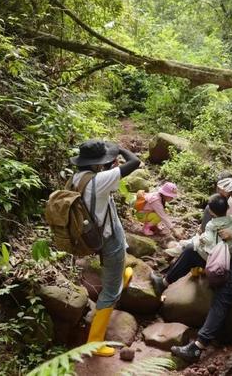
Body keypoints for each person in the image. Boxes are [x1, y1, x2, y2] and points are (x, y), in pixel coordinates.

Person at [151, 174, 232, 363]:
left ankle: (198, 347)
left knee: (222, 296)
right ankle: (164, 282)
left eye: (231, 190)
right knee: (191, 250)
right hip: (231, 252)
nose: (228, 193)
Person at [71, 139, 140, 357]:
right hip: (109, 239)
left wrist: (109, 162)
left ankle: (121, 280)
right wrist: (119, 149)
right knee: (109, 293)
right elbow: (135, 161)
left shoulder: (79, 178)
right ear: (97, 163)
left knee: (119, 268)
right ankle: (95, 343)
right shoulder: (99, 180)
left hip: (98, 234)